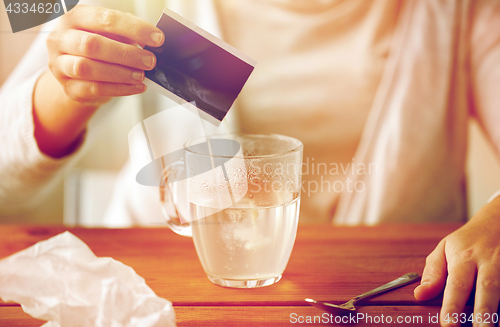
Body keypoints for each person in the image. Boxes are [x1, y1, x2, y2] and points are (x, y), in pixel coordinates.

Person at [1, 0, 499, 325]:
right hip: (163, 298)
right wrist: (68, 89)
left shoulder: (455, 12)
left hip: (397, 299)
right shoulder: (140, 4)